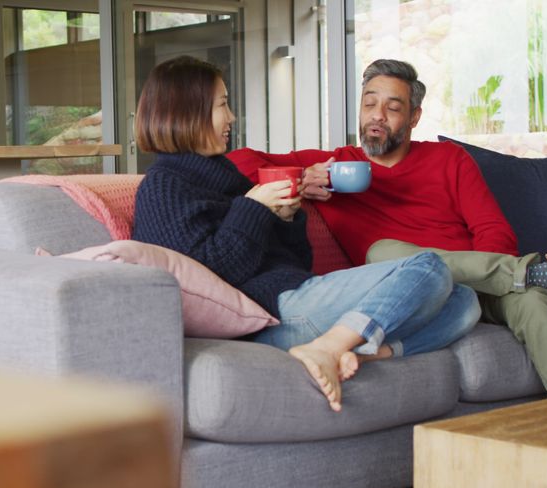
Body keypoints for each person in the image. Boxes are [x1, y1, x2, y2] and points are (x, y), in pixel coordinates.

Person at [227, 58, 547, 397]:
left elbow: (494, 231)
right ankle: (542, 272)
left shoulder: (449, 159)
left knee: (533, 300)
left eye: (392, 107)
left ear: (413, 117)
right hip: (415, 291)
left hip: (479, 286)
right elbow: (238, 162)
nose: (377, 115)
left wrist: (484, 274)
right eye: (369, 104)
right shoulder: (334, 166)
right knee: (382, 253)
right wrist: (303, 176)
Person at [131, 55, 481, 412]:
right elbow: (209, 278)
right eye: (223, 104)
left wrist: (285, 218)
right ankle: (329, 348)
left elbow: (295, 263)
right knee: (430, 268)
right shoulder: (165, 187)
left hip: (295, 297)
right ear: (189, 111)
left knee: (465, 300)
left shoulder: (224, 178)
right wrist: (252, 209)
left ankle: (359, 353)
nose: (232, 117)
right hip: (271, 315)